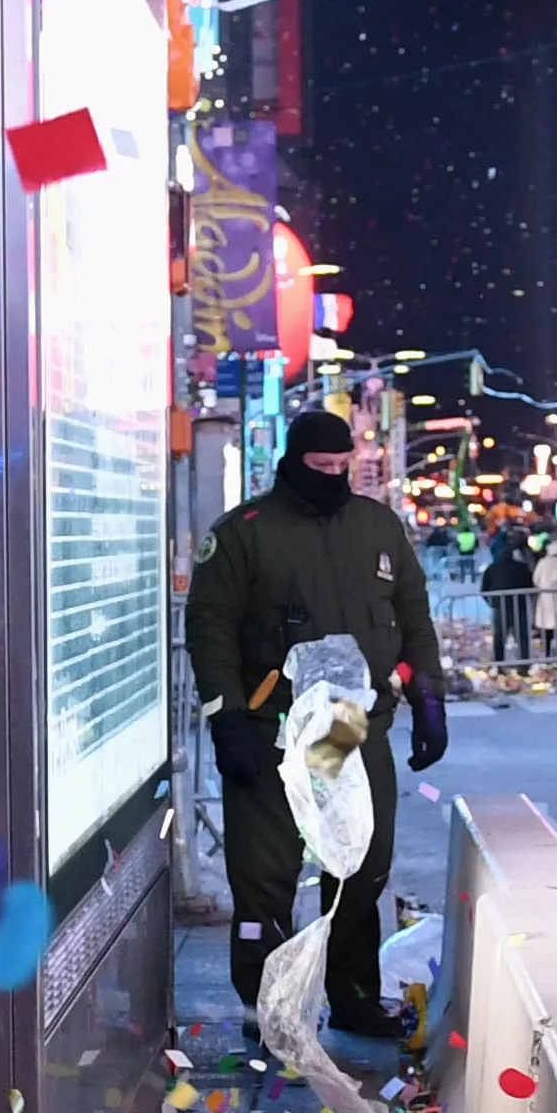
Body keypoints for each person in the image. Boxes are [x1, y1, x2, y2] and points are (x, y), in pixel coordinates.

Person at [187, 406, 448, 1045]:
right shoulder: (245, 533)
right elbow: (211, 628)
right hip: (272, 731)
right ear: (293, 462)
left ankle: (355, 993)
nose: (334, 478)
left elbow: (413, 612)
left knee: (362, 862)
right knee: (265, 874)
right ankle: (268, 1006)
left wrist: (430, 698)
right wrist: (225, 717)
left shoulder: (376, 526)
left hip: (349, 729)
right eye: (320, 467)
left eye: (342, 467)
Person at [478, 522, 537, 668]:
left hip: (500, 606)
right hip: (520, 606)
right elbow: (530, 584)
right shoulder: (521, 567)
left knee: (499, 637)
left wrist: (493, 602)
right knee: (522, 637)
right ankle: (524, 666)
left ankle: (499, 666)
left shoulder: (492, 568)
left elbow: (484, 588)